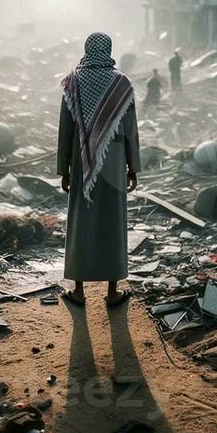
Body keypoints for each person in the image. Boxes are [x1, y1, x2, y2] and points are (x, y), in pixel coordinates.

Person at [57, 32, 141, 307]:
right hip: (114, 161)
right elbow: (130, 130)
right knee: (112, 223)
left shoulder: (73, 82)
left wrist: (64, 170)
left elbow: (65, 130)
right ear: (109, 49)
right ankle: (113, 292)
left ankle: (78, 291)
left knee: (82, 221)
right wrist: (132, 167)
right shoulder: (121, 83)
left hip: (81, 162)